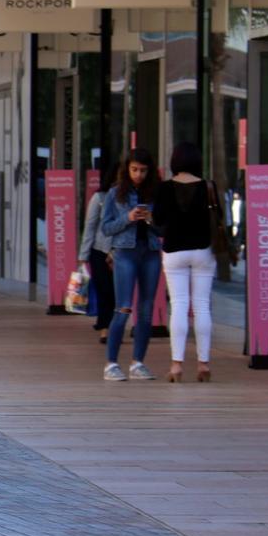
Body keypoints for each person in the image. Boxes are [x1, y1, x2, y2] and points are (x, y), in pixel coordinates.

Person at [152, 142, 218, 384]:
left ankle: (177, 365)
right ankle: (203, 363)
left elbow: (158, 219)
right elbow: (218, 217)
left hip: (174, 251)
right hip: (203, 251)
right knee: (201, 306)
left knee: (179, 305)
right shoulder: (208, 186)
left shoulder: (164, 188)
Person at [100, 148, 163, 382]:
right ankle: (111, 363)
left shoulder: (156, 193)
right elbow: (106, 228)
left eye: (143, 170)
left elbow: (164, 228)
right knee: (123, 307)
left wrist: (151, 219)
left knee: (145, 311)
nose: (138, 174)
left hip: (150, 252)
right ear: (127, 169)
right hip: (124, 253)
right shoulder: (116, 194)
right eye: (134, 169)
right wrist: (127, 217)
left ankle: (138, 362)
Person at [77, 164, 116, 344]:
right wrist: (83, 256)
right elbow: (90, 227)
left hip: (120, 252)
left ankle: (112, 326)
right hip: (99, 251)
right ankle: (104, 328)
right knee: (104, 290)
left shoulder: (129, 199)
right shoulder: (99, 198)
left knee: (116, 292)